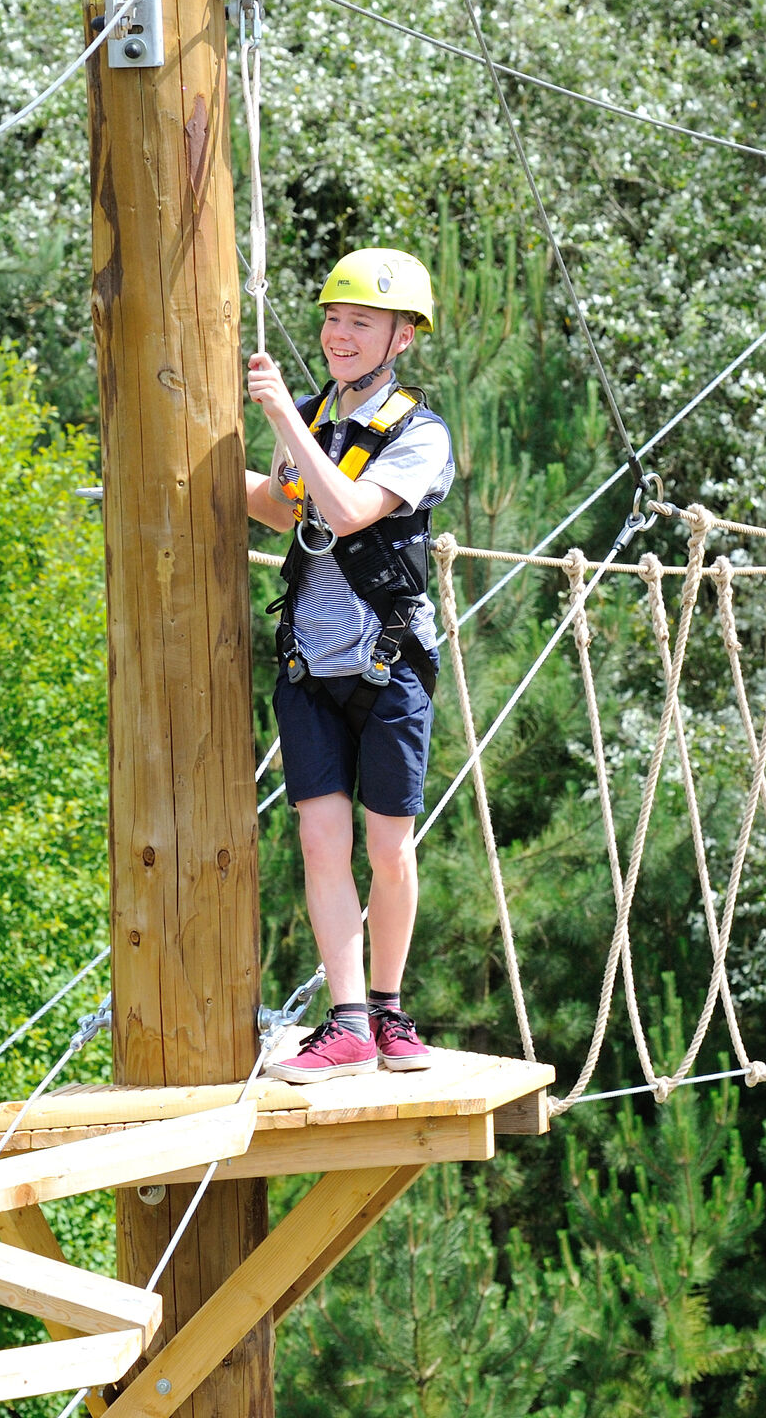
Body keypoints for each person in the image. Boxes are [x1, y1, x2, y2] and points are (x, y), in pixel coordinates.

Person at [244, 247, 454, 1082]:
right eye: (332, 319)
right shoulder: (309, 413)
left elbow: (347, 509)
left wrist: (284, 425)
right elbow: (281, 508)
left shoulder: (419, 434)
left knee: (388, 849)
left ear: (401, 337)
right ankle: (348, 1022)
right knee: (320, 843)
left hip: (387, 663)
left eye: (360, 323)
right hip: (309, 663)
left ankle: (392, 1008)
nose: (339, 335)